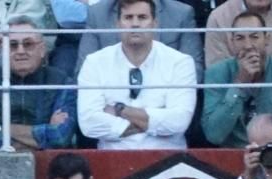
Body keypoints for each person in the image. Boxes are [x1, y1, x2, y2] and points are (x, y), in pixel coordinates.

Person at [76, 0, 195, 150]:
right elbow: (88, 124)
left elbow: (179, 121)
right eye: (128, 17)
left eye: (142, 17)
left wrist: (120, 110)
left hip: (168, 158)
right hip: (112, 160)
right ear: (117, 24)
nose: (135, 24)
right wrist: (153, 122)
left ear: (155, 23)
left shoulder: (180, 62)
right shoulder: (95, 62)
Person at [201, 12, 272, 149]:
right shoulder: (216, 74)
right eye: (240, 38)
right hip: (233, 156)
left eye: (254, 37)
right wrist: (239, 84)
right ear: (231, 43)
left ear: (267, 39)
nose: (248, 45)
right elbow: (214, 135)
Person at [0, 16, 77, 152]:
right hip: (3, 165)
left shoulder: (61, 81)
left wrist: (2, 128)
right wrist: (43, 136)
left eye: (28, 44)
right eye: (13, 45)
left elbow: (60, 137)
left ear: (42, 49)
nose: (20, 51)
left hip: (53, 166)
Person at [76, 0, 203, 79]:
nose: (135, 23)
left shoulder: (181, 13)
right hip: (111, 104)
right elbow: (83, 71)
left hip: (164, 103)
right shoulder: (97, 13)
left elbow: (194, 71)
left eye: (142, 17)